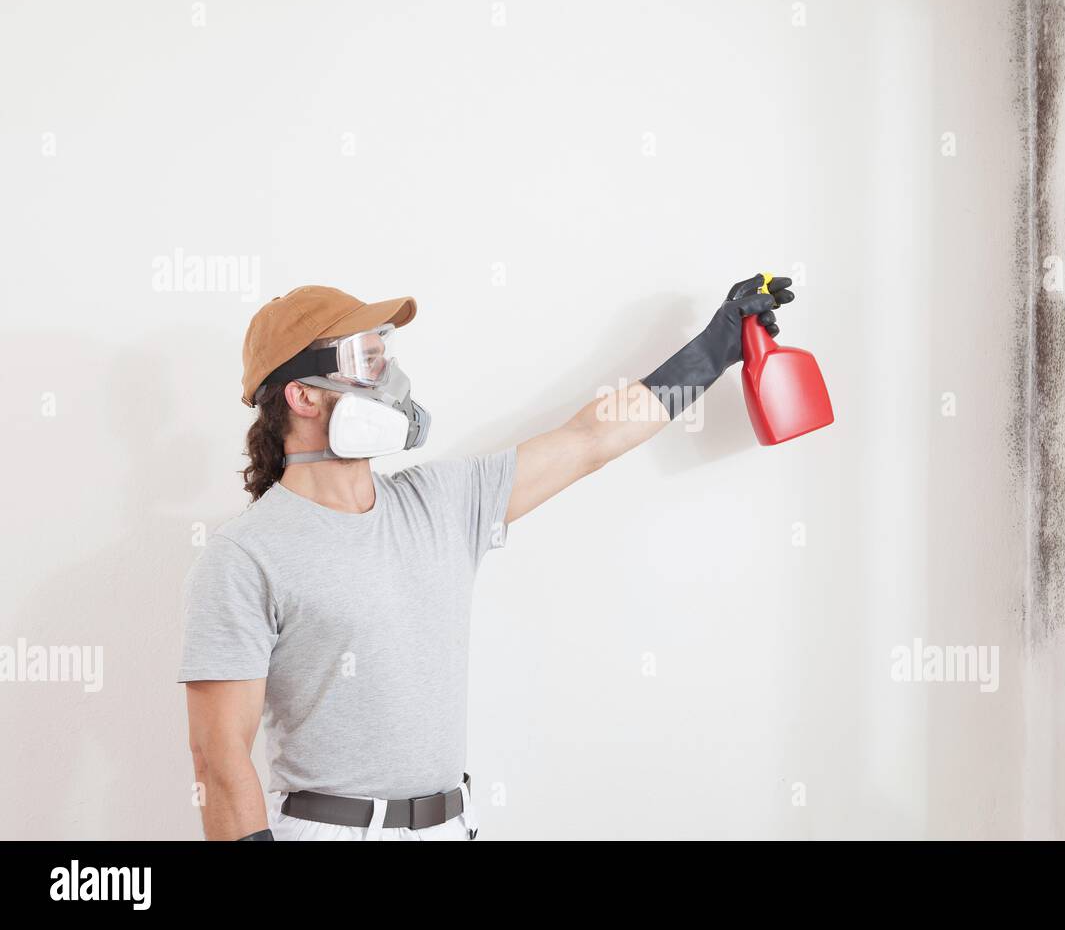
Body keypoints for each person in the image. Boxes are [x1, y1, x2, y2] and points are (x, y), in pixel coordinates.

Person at [179, 276, 794, 840]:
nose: (388, 378)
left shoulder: (442, 502)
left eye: (383, 354)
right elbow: (220, 755)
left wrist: (714, 350)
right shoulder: (245, 554)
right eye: (365, 360)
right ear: (303, 397)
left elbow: (589, 440)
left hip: (452, 823)